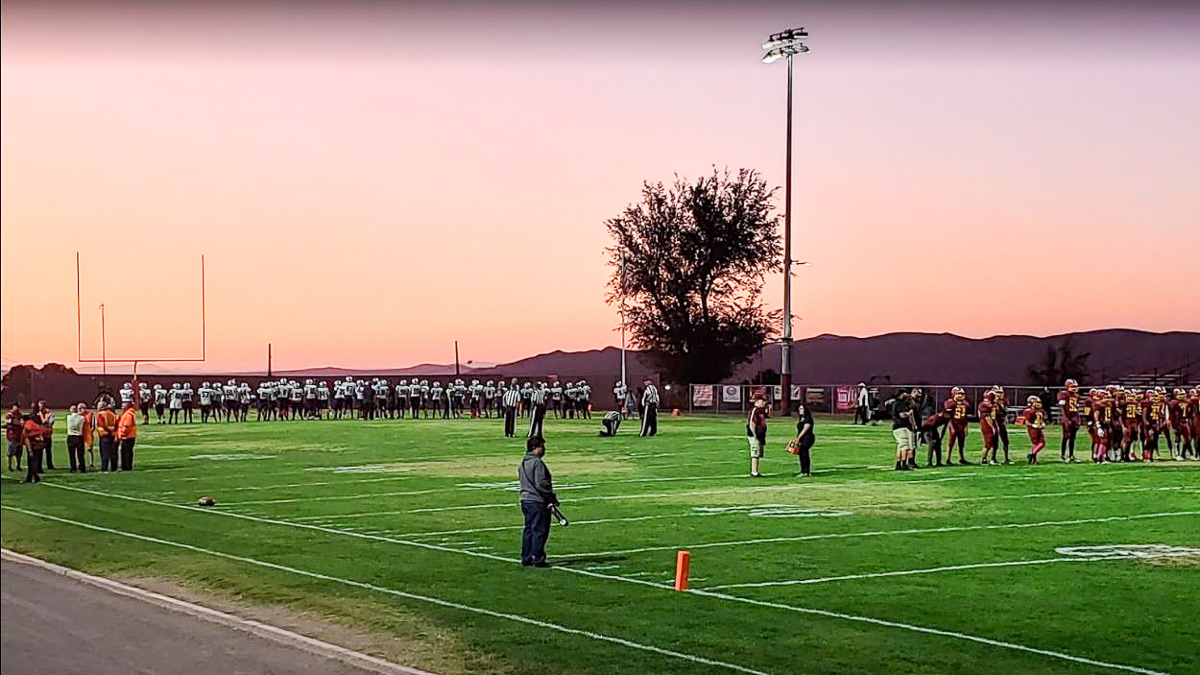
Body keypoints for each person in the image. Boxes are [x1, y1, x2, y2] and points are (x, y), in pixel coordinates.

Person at [518, 435, 558, 567]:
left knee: (529, 529)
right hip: (537, 500)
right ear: (535, 448)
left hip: (526, 500)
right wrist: (551, 496)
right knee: (539, 530)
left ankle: (527, 556)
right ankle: (538, 557)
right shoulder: (537, 463)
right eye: (542, 446)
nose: (544, 449)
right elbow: (541, 483)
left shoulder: (523, 462)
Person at [891, 390, 917, 471]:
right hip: (901, 426)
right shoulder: (899, 403)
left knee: (901, 446)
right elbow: (902, 415)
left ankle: (899, 464)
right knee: (905, 446)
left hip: (897, 427)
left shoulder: (897, 403)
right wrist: (909, 413)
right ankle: (903, 463)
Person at [21, 412, 47, 483]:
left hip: (34, 445)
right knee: (33, 461)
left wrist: (29, 450)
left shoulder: (27, 426)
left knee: (32, 462)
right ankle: (30, 477)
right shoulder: (33, 424)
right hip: (39, 444)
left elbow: (27, 439)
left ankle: (35, 477)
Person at [746, 395, 768, 477]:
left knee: (758, 453)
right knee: (755, 453)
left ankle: (756, 470)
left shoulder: (760, 411)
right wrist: (754, 434)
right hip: (755, 435)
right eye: (762, 401)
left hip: (760, 435)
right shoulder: (754, 410)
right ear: (757, 402)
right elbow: (752, 422)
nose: (764, 403)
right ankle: (754, 471)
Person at [1022, 395, 1047, 464]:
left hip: (1039, 428)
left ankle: (1033, 459)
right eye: (1037, 402)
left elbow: (1041, 419)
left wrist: (1043, 423)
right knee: (1040, 443)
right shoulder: (1029, 411)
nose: (1039, 404)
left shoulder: (1041, 411)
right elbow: (1027, 422)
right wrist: (1033, 425)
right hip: (1033, 429)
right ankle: (1032, 454)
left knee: (1037, 444)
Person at [94, 402, 119, 471]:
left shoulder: (101, 414)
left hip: (104, 435)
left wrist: (107, 430)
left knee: (104, 453)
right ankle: (114, 467)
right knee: (113, 453)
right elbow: (117, 423)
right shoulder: (112, 414)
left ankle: (104, 468)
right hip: (112, 434)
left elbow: (101, 424)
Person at [793, 400, 815, 477]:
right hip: (802, 438)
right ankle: (803, 470)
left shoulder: (807, 418)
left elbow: (806, 428)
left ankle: (806, 471)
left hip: (808, 438)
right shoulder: (801, 418)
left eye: (802, 409)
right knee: (801, 453)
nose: (800, 411)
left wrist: (798, 437)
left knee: (804, 452)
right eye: (799, 409)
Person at [116, 399, 138, 471]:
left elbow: (126, 426)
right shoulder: (129, 413)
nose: (122, 407)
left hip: (127, 437)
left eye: (123, 405)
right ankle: (127, 466)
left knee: (126, 453)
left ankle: (126, 466)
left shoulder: (128, 414)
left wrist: (122, 434)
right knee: (127, 452)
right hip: (129, 436)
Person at [66, 403, 87, 473]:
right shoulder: (82, 418)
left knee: (72, 454)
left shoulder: (68, 417)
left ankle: (73, 467)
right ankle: (82, 467)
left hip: (71, 436)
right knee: (80, 454)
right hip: (79, 437)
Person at [37, 400, 56, 471]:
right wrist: (45, 420)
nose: (40, 408)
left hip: (47, 435)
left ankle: (50, 465)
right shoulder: (38, 414)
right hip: (41, 435)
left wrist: (45, 420)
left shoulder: (50, 414)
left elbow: (51, 423)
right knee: (40, 452)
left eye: (41, 406)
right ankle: (39, 466)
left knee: (48, 451)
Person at [7, 404, 24, 472]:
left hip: (19, 436)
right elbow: (9, 422)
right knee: (10, 453)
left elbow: (22, 423)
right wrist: (19, 423)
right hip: (12, 436)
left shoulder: (20, 414)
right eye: (15, 407)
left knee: (19, 453)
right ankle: (9, 466)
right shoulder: (10, 414)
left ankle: (18, 466)